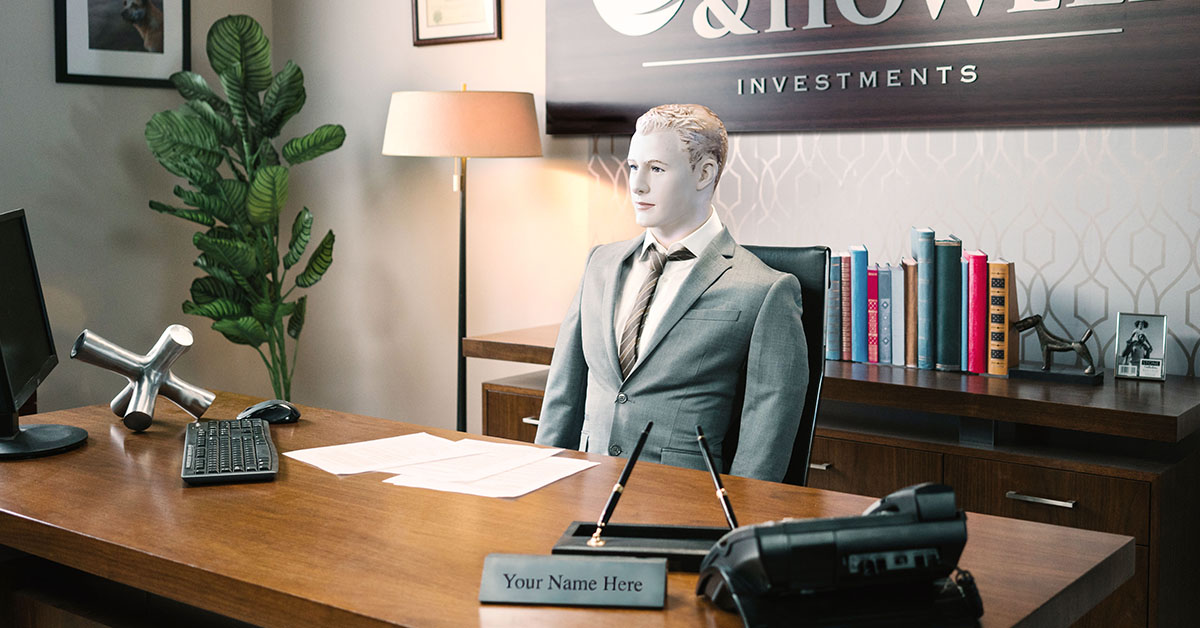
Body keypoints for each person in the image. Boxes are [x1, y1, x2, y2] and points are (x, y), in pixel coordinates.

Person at [533, 104, 808, 482]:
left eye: (656, 169)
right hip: (583, 492)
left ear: (704, 173)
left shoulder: (764, 290)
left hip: (683, 508)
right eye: (633, 166)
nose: (637, 184)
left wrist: (738, 529)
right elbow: (563, 395)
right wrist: (541, 483)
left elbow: (766, 439)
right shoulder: (600, 263)